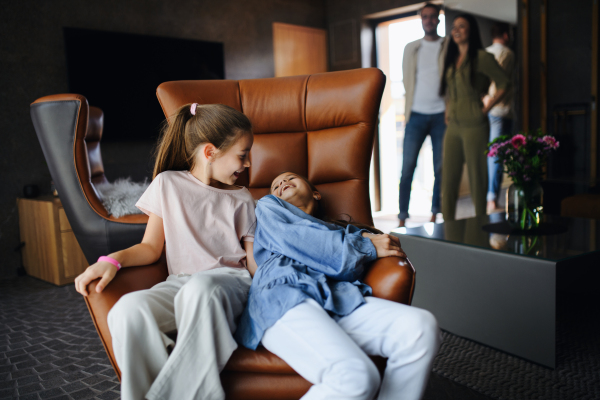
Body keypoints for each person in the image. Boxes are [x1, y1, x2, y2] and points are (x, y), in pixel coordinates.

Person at [74, 103, 256, 400]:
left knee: (201, 288)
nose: (247, 164)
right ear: (210, 152)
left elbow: (252, 264)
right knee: (127, 312)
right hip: (180, 284)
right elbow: (149, 248)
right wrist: (112, 261)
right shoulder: (167, 184)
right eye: (243, 154)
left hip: (228, 284)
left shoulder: (244, 199)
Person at [235, 172, 441, 400]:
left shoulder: (344, 233)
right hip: (282, 296)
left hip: (334, 298)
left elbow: (345, 264)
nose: (282, 182)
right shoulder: (269, 207)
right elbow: (306, 242)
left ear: (316, 193)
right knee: (355, 377)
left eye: (290, 177)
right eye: (275, 185)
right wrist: (364, 246)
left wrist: (359, 241)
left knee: (419, 328)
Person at [440, 13, 510, 221]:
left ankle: (480, 230)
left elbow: (505, 84)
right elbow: (450, 91)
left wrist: (487, 107)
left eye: (462, 26)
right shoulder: (452, 60)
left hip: (475, 125)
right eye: (454, 26)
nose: (456, 30)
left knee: (477, 181)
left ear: (471, 31)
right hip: (453, 126)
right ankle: (448, 230)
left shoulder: (482, 57)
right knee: (448, 181)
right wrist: (447, 110)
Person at [399, 3, 448, 227]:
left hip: (442, 115)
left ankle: (435, 212)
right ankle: (402, 215)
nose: (428, 20)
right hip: (416, 115)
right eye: (425, 17)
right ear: (421, 19)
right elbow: (407, 80)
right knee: (408, 166)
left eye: (432, 16)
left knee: (440, 167)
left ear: (438, 19)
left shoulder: (448, 45)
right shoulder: (411, 47)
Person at [484, 22, 515, 213]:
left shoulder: (484, 53)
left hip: (486, 107)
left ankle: (490, 197)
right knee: (497, 154)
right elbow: (503, 82)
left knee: (492, 153)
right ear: (505, 35)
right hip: (501, 110)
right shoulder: (508, 54)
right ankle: (492, 199)